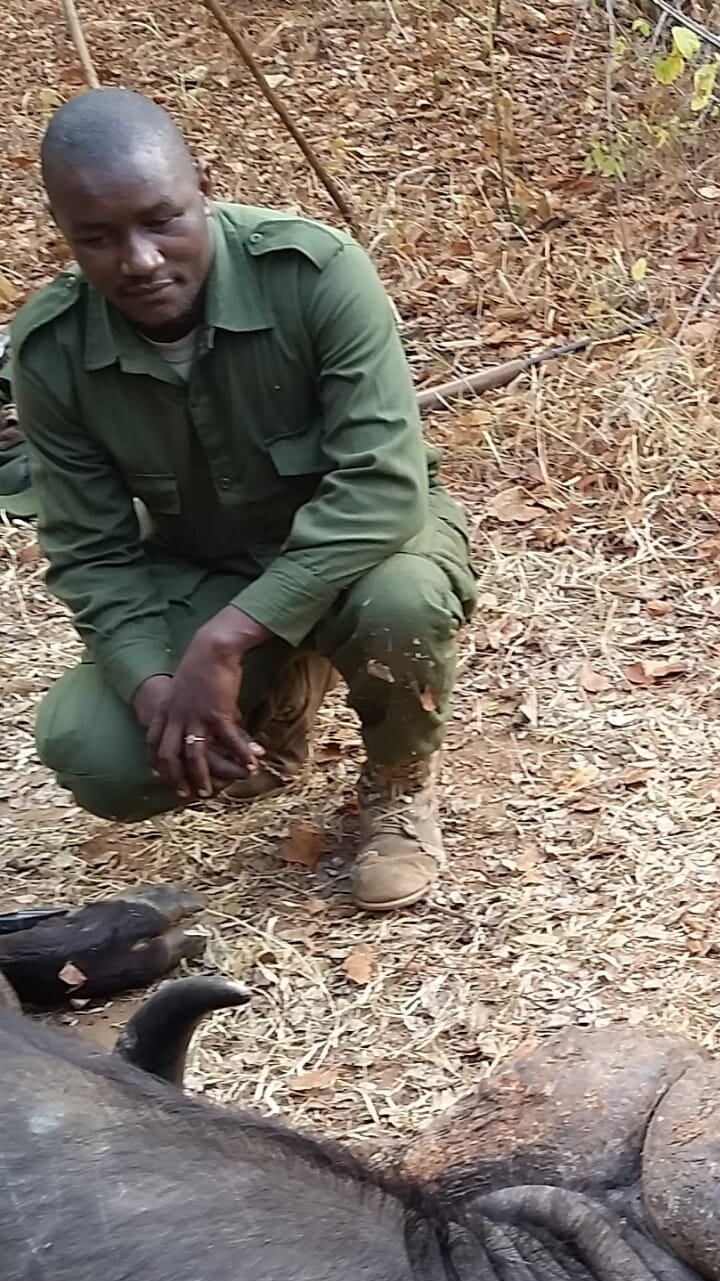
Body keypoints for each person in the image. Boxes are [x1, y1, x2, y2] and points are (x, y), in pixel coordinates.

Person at [6, 88, 476, 913]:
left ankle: (399, 789)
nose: (141, 259)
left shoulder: (314, 274)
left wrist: (223, 643)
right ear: (66, 234)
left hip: (366, 553)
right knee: (98, 753)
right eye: (99, 238)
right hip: (206, 562)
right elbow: (91, 552)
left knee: (398, 604)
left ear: (204, 188)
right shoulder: (52, 351)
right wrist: (155, 682)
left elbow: (382, 485)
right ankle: (280, 697)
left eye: (161, 220)